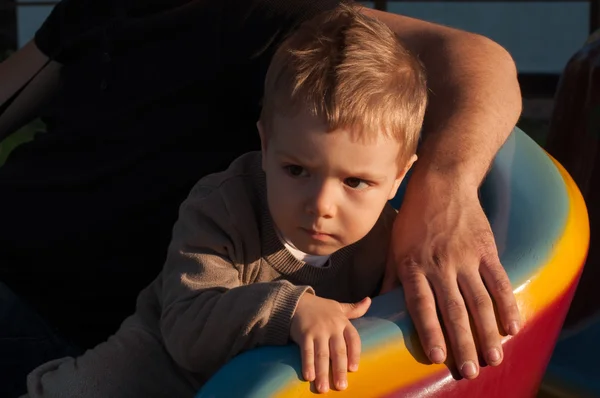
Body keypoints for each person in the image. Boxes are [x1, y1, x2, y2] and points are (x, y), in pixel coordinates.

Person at [0, 0, 521, 395]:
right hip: (121, 371)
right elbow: (183, 326)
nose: (322, 203)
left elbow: (481, 59)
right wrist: (291, 309)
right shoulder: (220, 205)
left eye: (355, 182)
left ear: (397, 176)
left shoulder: (273, 21)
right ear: (266, 145)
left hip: (68, 316)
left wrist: (446, 189)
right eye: (296, 170)